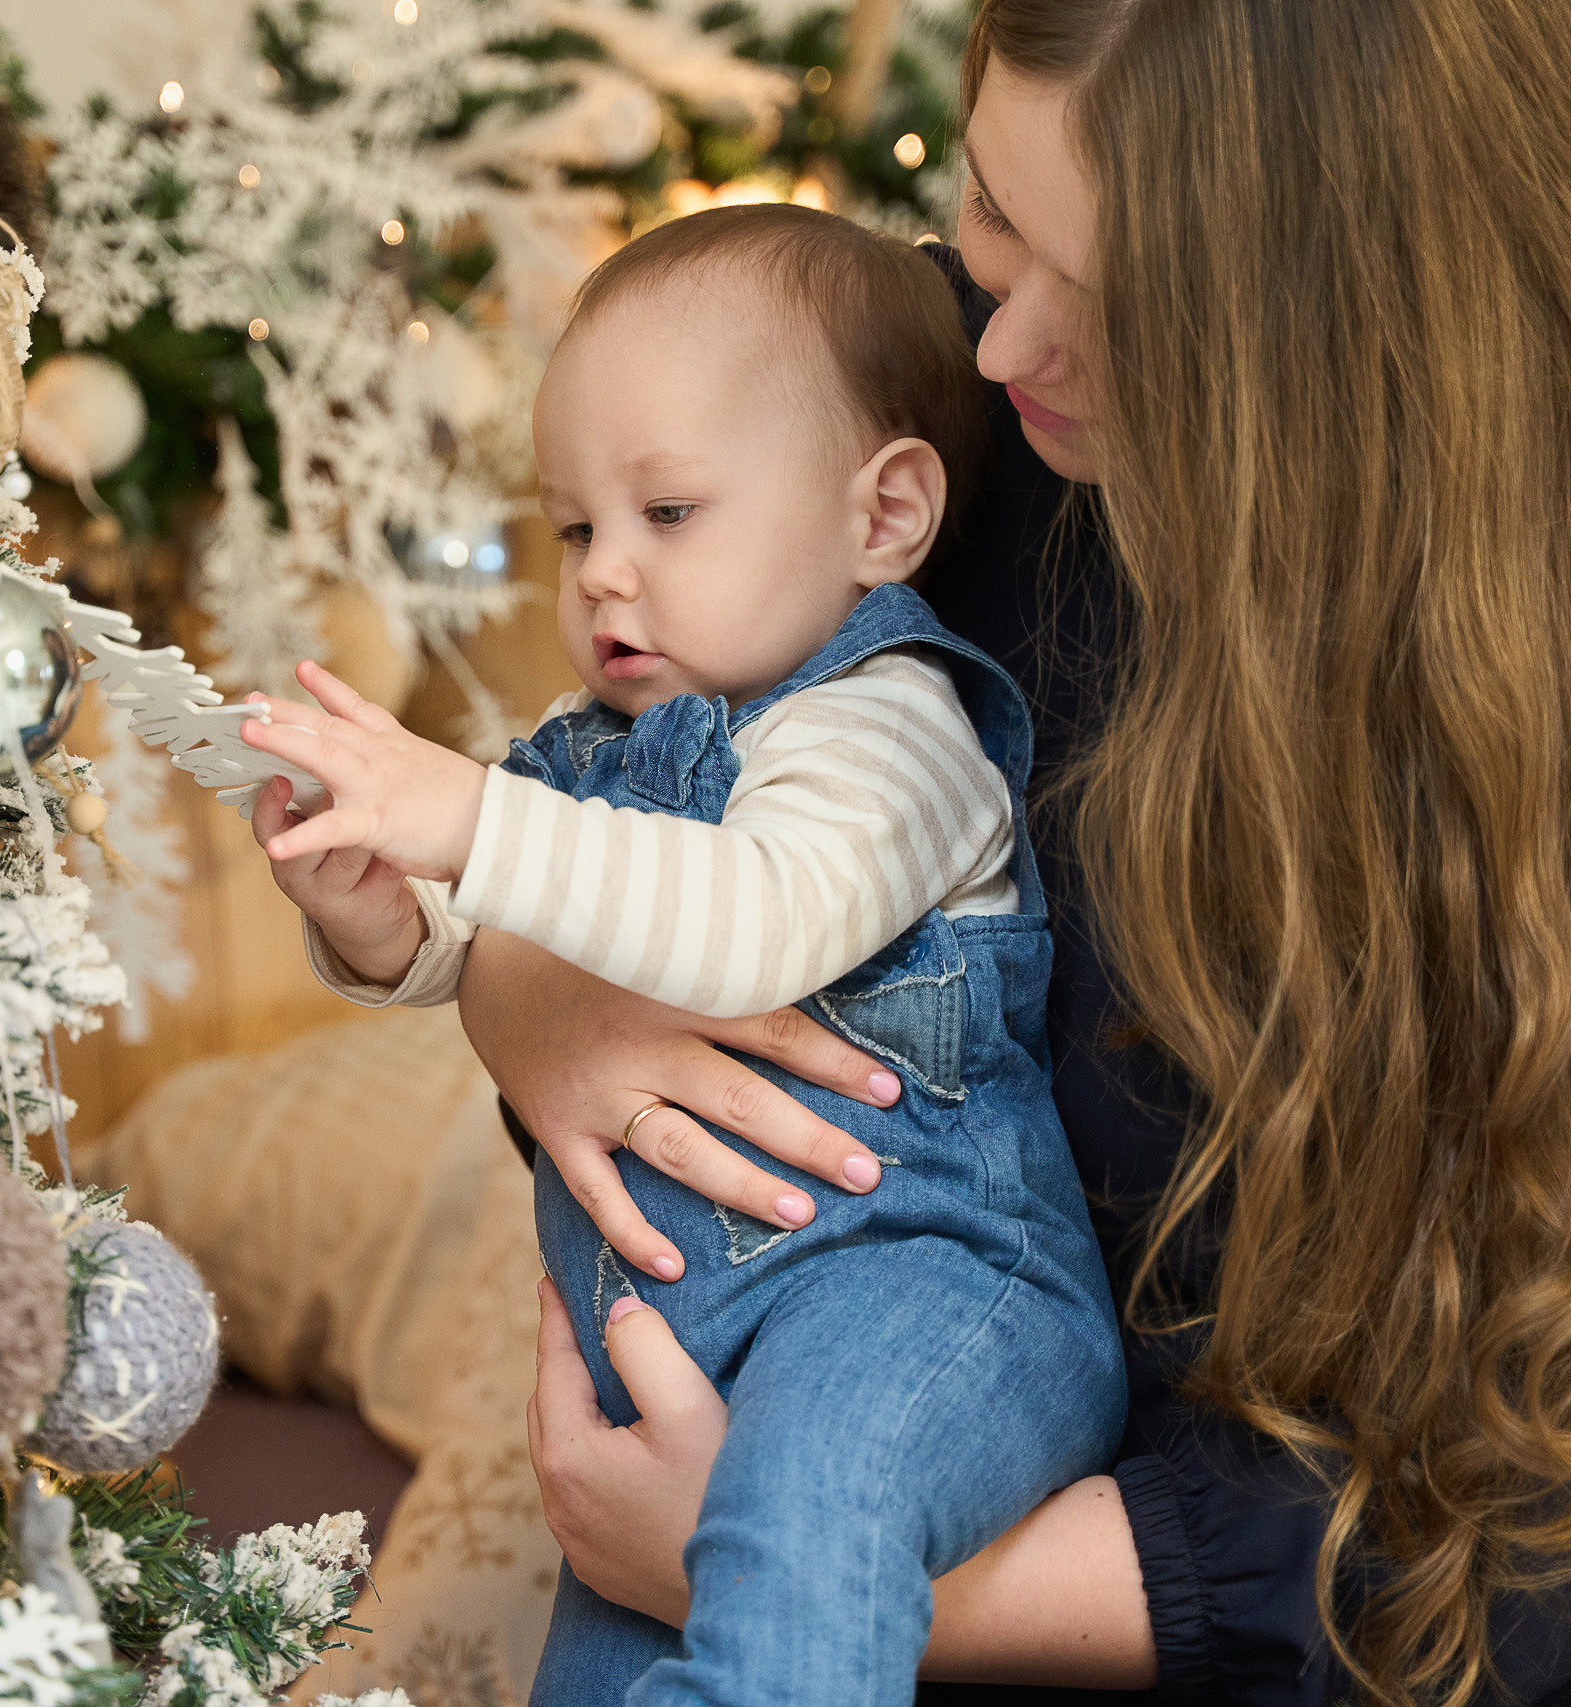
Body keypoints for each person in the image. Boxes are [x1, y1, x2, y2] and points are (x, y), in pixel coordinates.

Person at [489, 1, 1571, 1702]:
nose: (1001, 352)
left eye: (1129, 308)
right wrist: (524, 996)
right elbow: (651, 767)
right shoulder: (933, 415)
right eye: (994, 211)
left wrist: (826, 1559)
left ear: (1376, 337)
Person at [238, 204, 1126, 1703]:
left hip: (924, 1289)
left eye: (669, 515)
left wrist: (466, 816)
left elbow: (754, 919)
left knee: (801, 1528)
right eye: (576, 525)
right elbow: (497, 936)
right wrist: (378, 911)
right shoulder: (607, 752)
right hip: (693, 1334)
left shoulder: (890, 723)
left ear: (884, 518)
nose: (598, 575)